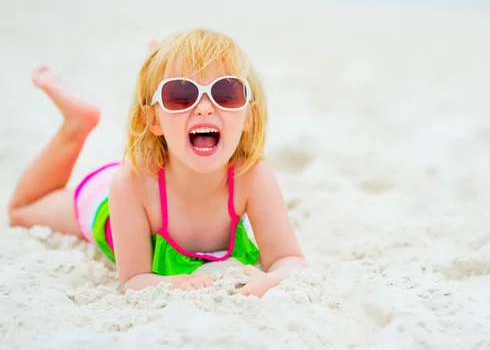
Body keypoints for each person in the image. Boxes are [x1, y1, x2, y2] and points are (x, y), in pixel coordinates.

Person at [7, 28, 307, 297]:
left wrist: (274, 279)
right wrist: (175, 284)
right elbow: (134, 279)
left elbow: (289, 259)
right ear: (153, 120)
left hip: (159, 169)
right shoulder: (130, 185)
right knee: (22, 210)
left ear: (249, 117)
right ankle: (77, 125)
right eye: (180, 95)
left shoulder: (251, 175)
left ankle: (162, 70)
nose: (204, 108)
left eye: (225, 93)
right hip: (111, 201)